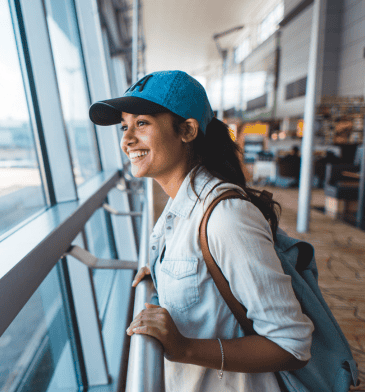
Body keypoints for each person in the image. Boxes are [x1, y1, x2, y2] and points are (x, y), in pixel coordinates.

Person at [89, 70, 313, 392]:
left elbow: (292, 344)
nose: (126, 139)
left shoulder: (226, 218)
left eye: (142, 123)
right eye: (124, 126)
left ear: (187, 130)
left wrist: (186, 348)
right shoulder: (178, 206)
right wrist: (160, 272)